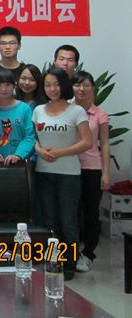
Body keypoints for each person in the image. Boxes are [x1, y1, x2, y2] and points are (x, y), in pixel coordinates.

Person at [34, 67, 92, 280]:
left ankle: (69, 264)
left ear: (64, 86)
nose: (52, 89)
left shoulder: (76, 111)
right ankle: (53, 261)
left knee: (68, 221)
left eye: (56, 84)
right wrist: (40, 151)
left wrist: (61, 152)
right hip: (44, 172)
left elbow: (87, 142)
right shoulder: (38, 110)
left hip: (68, 174)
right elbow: (35, 140)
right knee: (49, 221)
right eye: (48, 85)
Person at [72, 71, 111, 273]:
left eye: (86, 85)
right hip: (69, 167)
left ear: (92, 88)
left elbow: (104, 143)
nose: (81, 89)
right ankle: (71, 252)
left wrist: (106, 173)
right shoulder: (66, 108)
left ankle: (88, 254)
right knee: (72, 212)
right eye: (77, 85)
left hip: (92, 168)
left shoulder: (100, 113)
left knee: (90, 213)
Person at [0, 68, 35, 164]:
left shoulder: (24, 108)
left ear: (14, 86)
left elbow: (29, 136)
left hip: (20, 163)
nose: (3, 89)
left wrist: (18, 155)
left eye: (7, 85)